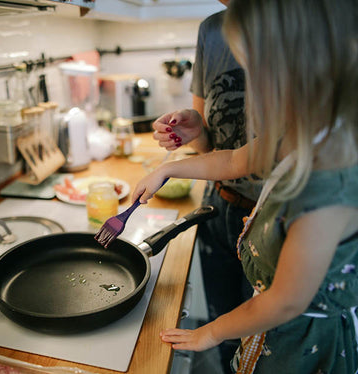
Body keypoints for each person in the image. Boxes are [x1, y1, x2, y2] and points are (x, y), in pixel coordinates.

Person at [133, 0, 358, 372]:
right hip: (269, 328)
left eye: (259, 72)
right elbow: (234, 159)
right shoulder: (301, 133)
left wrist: (213, 332)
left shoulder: (329, 183)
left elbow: (286, 301)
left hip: (302, 345)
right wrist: (168, 169)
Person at [152, 1, 257, 371]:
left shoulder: (313, 23)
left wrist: (171, 171)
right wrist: (193, 129)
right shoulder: (212, 30)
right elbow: (217, 150)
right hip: (219, 206)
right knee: (226, 335)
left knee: (261, 345)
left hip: (275, 219)